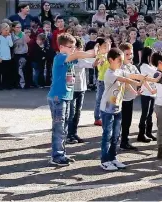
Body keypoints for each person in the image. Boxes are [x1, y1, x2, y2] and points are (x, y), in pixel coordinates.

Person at [47, 33, 97, 166]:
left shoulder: (69, 58)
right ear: (62, 47)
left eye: (74, 47)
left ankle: (61, 153)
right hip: (58, 97)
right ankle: (56, 156)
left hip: (66, 96)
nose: (73, 49)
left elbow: (84, 60)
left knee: (63, 127)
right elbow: (80, 55)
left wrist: (97, 56)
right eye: (71, 47)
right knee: (59, 127)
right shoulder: (60, 57)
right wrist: (93, 51)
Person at [99, 48, 151, 171]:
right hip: (107, 110)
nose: (121, 63)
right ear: (111, 60)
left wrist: (146, 78)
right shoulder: (110, 73)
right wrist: (137, 83)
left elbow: (132, 75)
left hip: (117, 109)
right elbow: (125, 80)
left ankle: (113, 158)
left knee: (116, 135)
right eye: (119, 60)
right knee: (108, 135)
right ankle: (104, 160)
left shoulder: (120, 70)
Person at [67, 36, 95, 144]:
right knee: (71, 112)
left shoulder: (81, 58)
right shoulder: (72, 58)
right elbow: (88, 63)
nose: (81, 50)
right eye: (79, 47)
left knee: (77, 112)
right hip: (72, 88)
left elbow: (90, 62)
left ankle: (74, 133)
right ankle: (69, 135)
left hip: (81, 88)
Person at [138, 47, 158, 143]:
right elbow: (144, 80)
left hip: (153, 93)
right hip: (146, 92)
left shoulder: (152, 66)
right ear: (148, 55)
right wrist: (151, 90)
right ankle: (141, 134)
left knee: (150, 114)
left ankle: (148, 132)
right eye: (152, 54)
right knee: (145, 114)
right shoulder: (143, 66)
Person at [93, 38, 112, 126]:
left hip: (110, 80)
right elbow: (99, 65)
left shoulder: (110, 56)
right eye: (104, 46)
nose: (107, 48)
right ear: (100, 47)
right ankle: (97, 118)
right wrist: (101, 61)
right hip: (102, 80)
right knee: (99, 99)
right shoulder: (100, 56)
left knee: (109, 99)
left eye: (108, 46)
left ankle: (108, 115)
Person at [0, 23, 13, 90]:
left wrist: (9, 37)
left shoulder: (8, 37)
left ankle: (7, 85)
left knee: (7, 72)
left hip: (8, 57)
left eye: (8, 30)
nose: (7, 31)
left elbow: (11, 45)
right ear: (1, 30)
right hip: (1, 58)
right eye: (6, 30)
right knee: (0, 72)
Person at [11, 22, 30, 89]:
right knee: (18, 70)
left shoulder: (23, 34)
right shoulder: (11, 35)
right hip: (16, 54)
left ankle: (24, 84)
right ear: (13, 28)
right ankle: (18, 83)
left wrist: (26, 36)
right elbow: (12, 44)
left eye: (20, 27)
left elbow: (27, 41)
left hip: (24, 53)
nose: (19, 29)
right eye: (17, 27)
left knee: (23, 69)